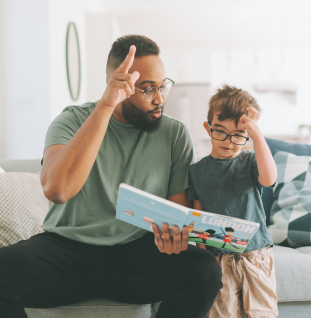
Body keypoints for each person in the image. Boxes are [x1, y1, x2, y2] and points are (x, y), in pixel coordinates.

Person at [0, 35, 222, 318]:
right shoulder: (71, 120)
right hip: (66, 248)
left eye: (163, 85)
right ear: (117, 85)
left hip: (137, 253)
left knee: (203, 271)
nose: (160, 98)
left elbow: (176, 211)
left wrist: (174, 237)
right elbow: (57, 190)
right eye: (147, 89)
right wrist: (105, 107)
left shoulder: (174, 134)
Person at [187, 85, 279, 318]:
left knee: (262, 313)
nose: (228, 141)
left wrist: (257, 134)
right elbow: (197, 217)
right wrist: (206, 258)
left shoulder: (249, 161)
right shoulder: (196, 171)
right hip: (219, 258)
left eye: (238, 134)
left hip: (255, 255)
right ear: (208, 129)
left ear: (247, 135)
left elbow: (269, 179)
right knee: (222, 314)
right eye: (220, 131)